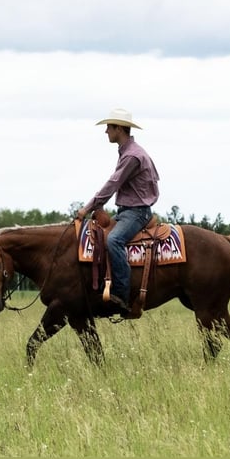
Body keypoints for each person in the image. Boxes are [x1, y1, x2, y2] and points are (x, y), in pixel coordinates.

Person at [77, 108, 160, 314]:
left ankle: (122, 295)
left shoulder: (132, 156)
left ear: (119, 129)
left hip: (136, 212)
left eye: (109, 127)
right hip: (126, 210)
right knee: (97, 233)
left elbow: (112, 184)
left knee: (114, 240)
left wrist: (88, 207)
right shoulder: (128, 152)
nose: (106, 131)